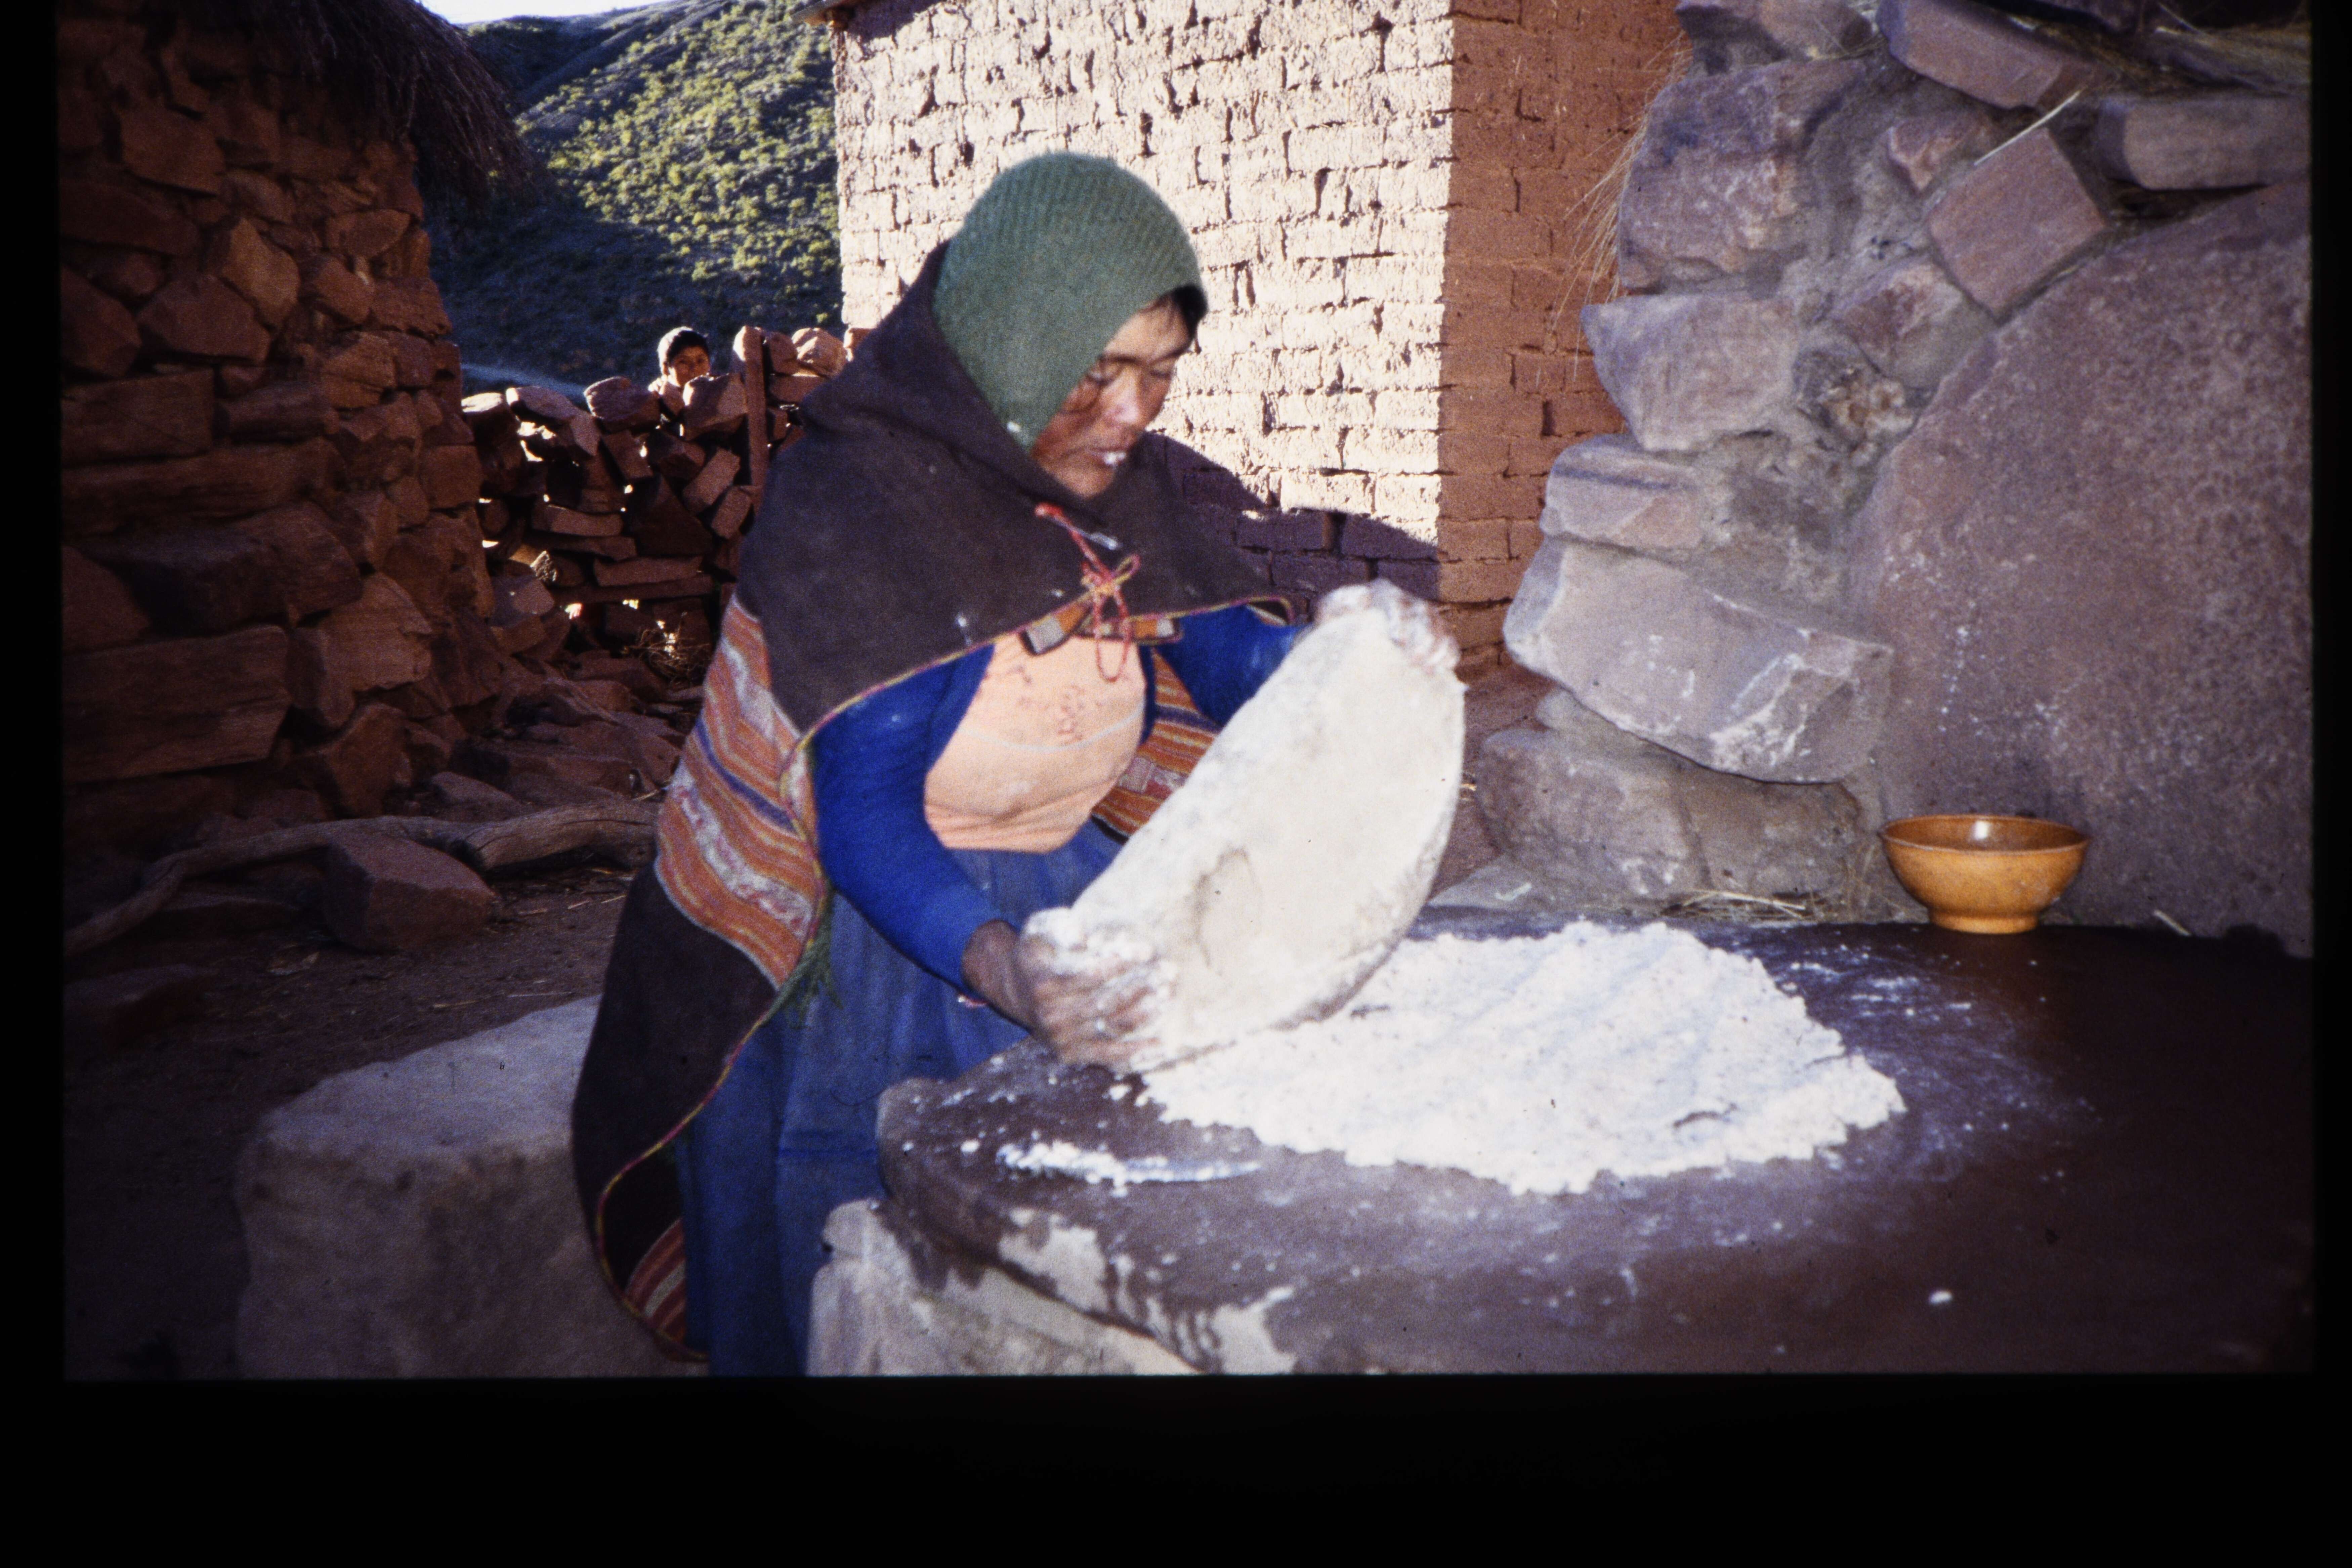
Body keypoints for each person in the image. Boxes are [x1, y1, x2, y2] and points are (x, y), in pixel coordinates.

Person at [571, 153, 1452, 1373]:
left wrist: (1347, 652)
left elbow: (1227, 653)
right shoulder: (864, 504)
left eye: (1159, 372)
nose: (1133, 414)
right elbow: (863, 817)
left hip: (1065, 890)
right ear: (1013, 346)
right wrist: (1002, 965)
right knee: (894, 1260)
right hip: (892, 948)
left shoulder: (1112, 486)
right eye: (1099, 372)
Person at [650, 326, 711, 396]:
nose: (695, 368)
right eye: (684, 362)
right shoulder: (656, 399)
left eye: (700, 361)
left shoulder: (718, 394)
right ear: (666, 369)